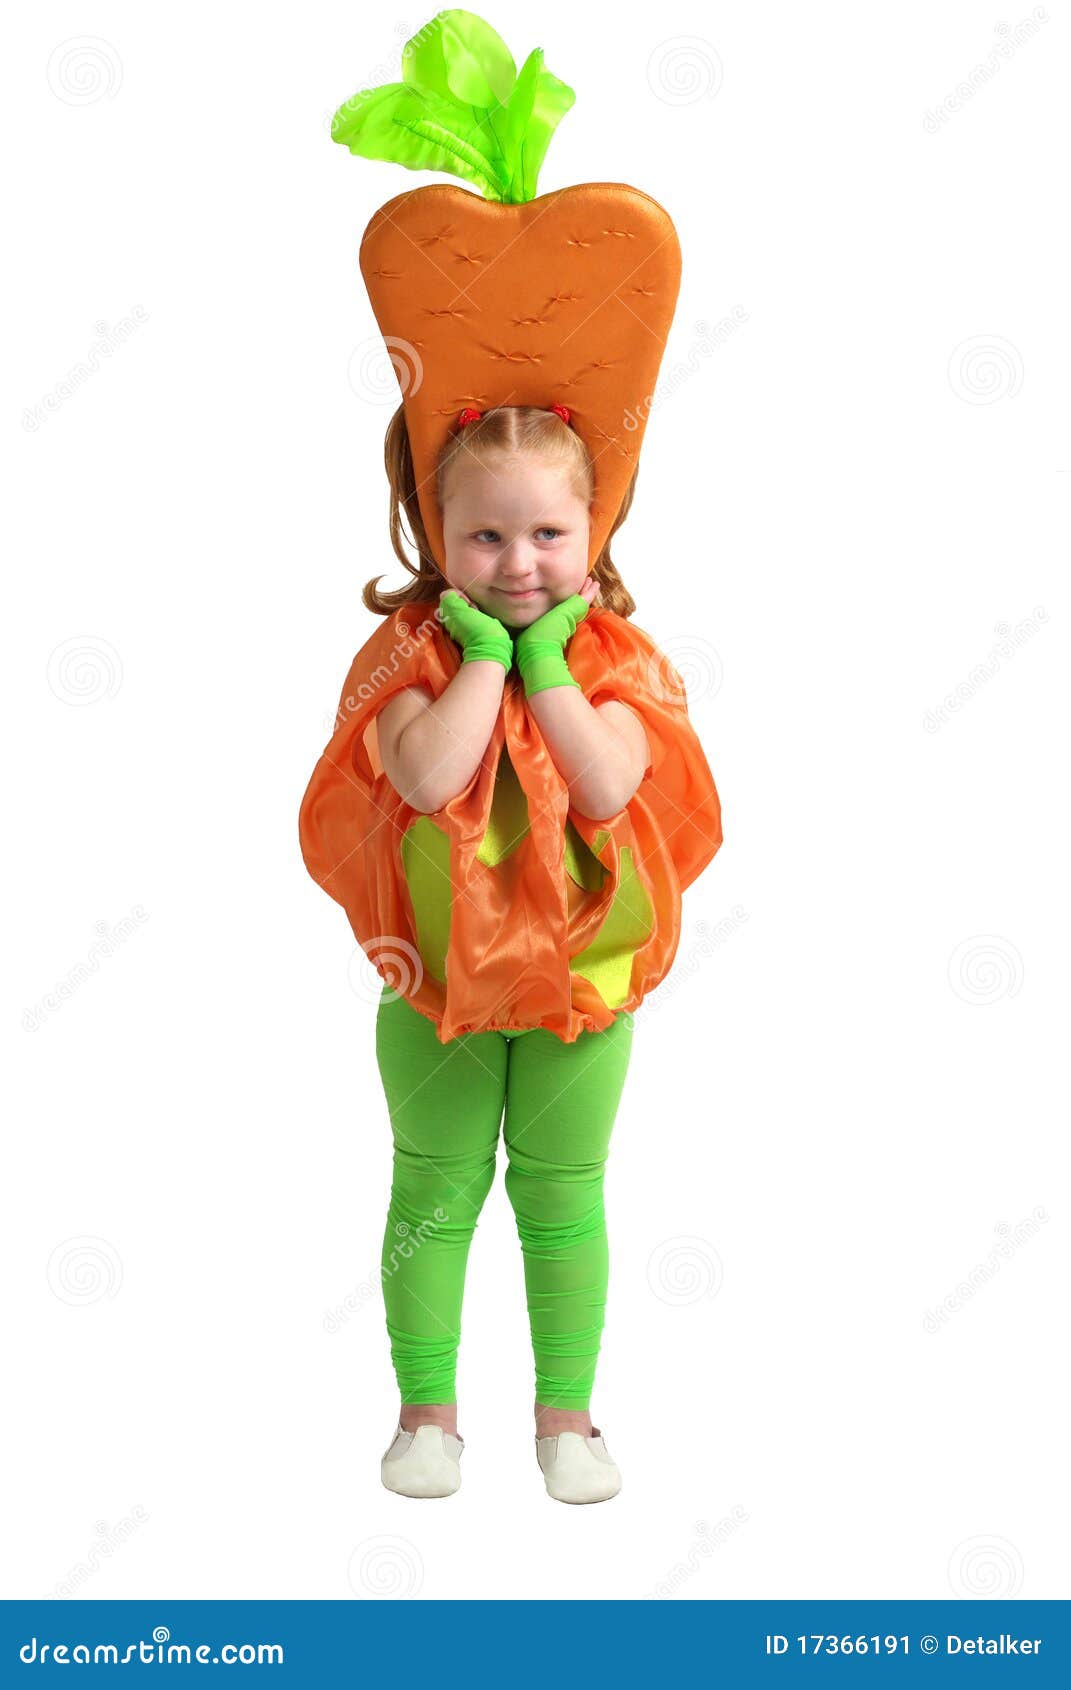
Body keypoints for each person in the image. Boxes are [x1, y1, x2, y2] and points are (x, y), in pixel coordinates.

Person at [299, 402, 723, 1502]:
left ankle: (566, 1422)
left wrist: (547, 663)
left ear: (595, 531)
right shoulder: (408, 658)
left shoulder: (617, 660)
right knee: (434, 1191)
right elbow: (430, 776)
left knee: (562, 1192)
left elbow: (605, 784)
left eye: (547, 534)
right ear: (436, 536)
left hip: (582, 983)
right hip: (438, 982)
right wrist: (486, 658)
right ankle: (426, 1419)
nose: (518, 562)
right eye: (485, 536)